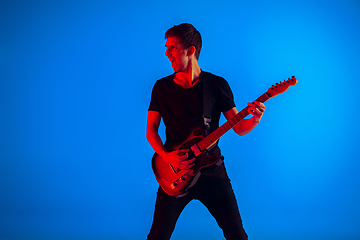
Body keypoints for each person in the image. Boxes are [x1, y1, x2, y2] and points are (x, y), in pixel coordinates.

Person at [146, 23, 265, 240]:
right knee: (157, 236)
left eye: (172, 48)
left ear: (190, 51)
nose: (166, 53)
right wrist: (168, 156)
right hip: (175, 169)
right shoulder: (161, 87)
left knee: (236, 234)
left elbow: (238, 127)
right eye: (167, 48)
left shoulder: (217, 85)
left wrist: (255, 118)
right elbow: (151, 131)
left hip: (211, 171)